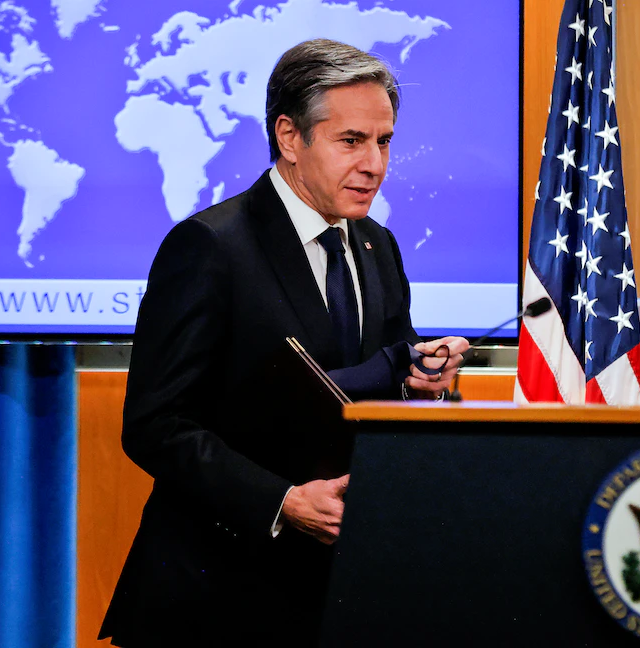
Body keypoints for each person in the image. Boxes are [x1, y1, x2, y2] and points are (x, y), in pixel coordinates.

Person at [99, 38, 469, 646]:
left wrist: (423, 382)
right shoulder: (210, 247)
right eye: (351, 141)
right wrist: (281, 500)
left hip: (339, 594)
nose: (375, 164)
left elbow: (379, 390)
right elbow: (155, 425)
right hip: (219, 598)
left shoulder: (377, 245)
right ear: (290, 137)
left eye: (384, 142)